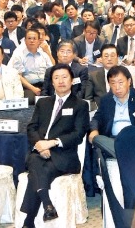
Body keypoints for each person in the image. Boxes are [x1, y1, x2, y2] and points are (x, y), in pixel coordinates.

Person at [21, 64, 89, 226]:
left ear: (72, 80)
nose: (60, 81)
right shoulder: (43, 103)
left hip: (64, 154)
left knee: (35, 169)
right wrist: (39, 144)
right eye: (56, 78)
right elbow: (31, 127)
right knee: (37, 162)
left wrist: (51, 143)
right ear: (51, 82)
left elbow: (78, 134)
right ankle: (46, 206)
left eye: (65, 77)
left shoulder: (80, 105)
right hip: (40, 152)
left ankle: (30, 220)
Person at [89, 65, 135, 209]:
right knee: (98, 140)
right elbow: (96, 118)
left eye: (120, 82)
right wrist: (94, 130)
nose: (117, 87)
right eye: (113, 83)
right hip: (113, 141)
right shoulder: (106, 100)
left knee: (127, 150)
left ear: (129, 81)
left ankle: (131, 208)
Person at [8, 29, 54, 104]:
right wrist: (33, 88)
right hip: (29, 86)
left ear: (39, 41)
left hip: (46, 85)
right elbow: (19, 76)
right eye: (29, 38)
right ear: (25, 41)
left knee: (56, 96)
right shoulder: (19, 56)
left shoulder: (44, 55)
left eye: (34, 38)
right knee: (30, 100)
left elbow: (52, 71)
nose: (32, 41)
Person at [84, 44, 119, 110]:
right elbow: (88, 99)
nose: (109, 59)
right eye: (106, 56)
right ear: (101, 59)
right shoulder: (93, 76)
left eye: (112, 56)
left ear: (117, 57)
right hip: (100, 112)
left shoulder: (124, 74)